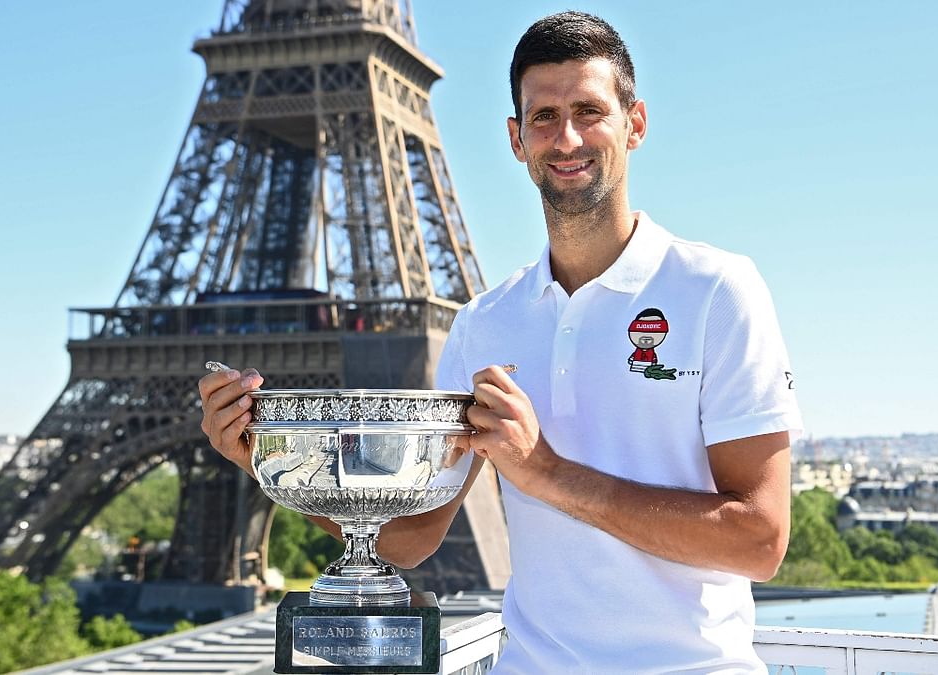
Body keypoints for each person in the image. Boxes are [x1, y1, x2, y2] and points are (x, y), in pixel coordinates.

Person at [199, 11, 802, 674]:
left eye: (588, 110)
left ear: (635, 124)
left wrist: (546, 472)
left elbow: (760, 539)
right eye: (544, 116)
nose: (566, 136)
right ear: (516, 139)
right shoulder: (484, 323)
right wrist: (275, 462)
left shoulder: (718, 291)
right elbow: (410, 540)